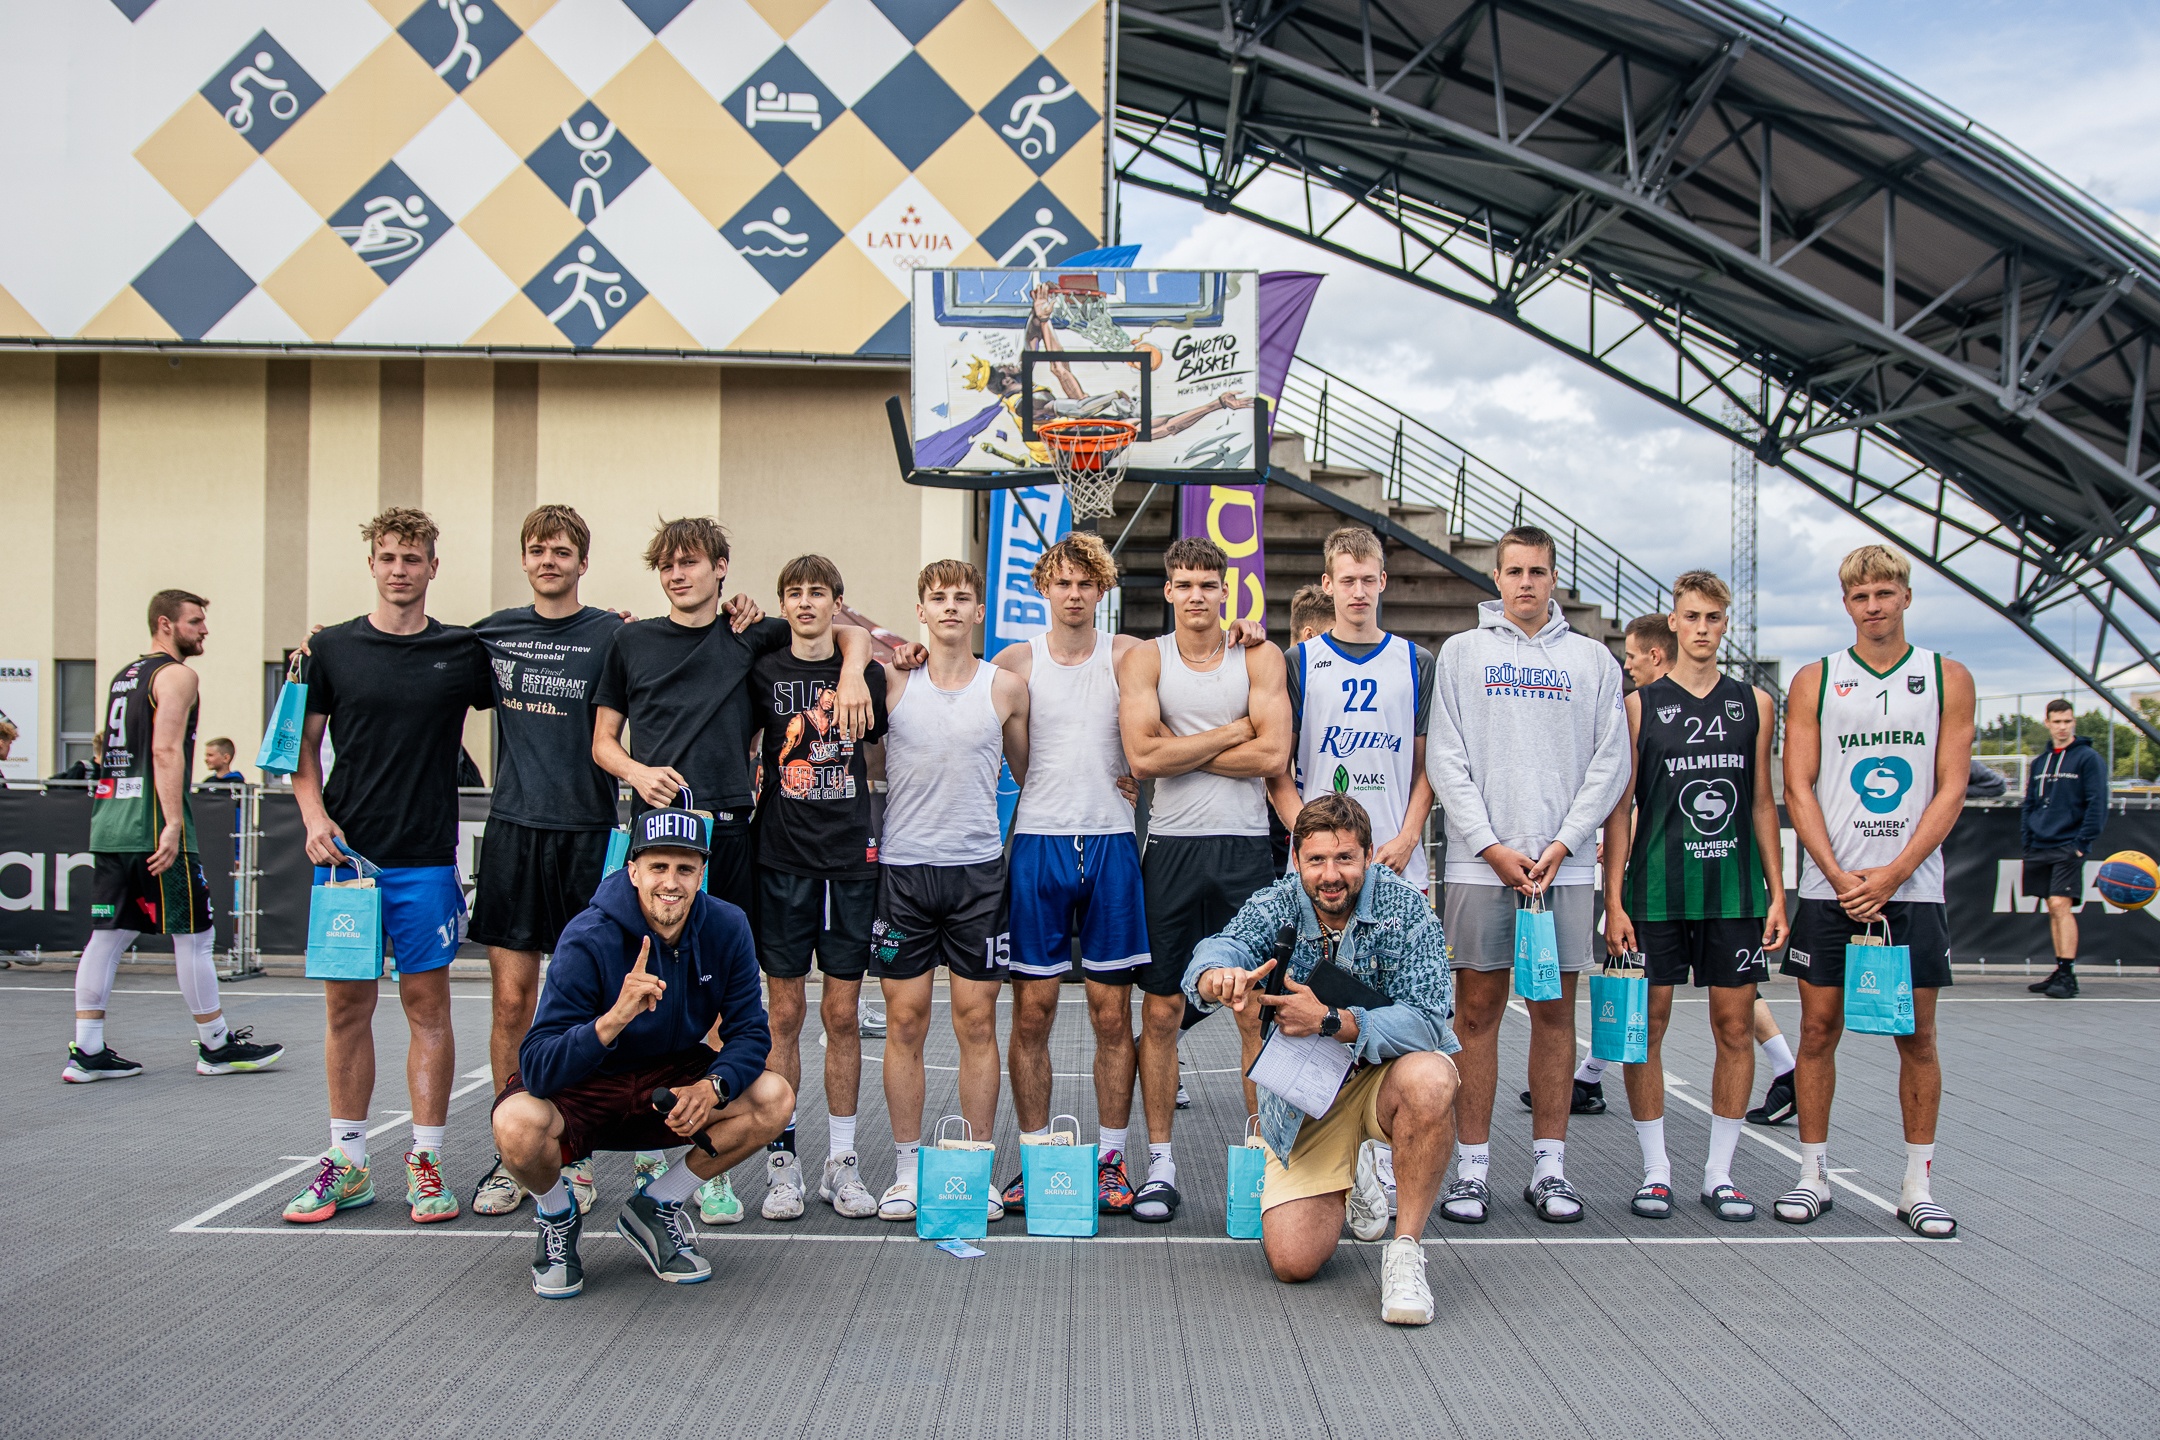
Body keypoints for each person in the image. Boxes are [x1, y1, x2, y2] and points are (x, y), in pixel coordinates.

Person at [283, 510, 496, 1225]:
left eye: (412, 558)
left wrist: (612, 629)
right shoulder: (330, 649)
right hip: (347, 862)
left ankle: (426, 1161)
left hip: (427, 859)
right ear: (371, 565)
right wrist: (314, 817)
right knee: (346, 1009)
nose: (399, 569)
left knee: (427, 1009)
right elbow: (300, 749)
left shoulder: (463, 650)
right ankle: (347, 1162)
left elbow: (542, 666)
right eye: (388, 557)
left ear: (433, 567)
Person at [491, 806, 790, 1296]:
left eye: (685, 868)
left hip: (668, 1085)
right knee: (515, 1122)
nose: (671, 882)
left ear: (701, 874)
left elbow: (750, 1033)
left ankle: (655, 1205)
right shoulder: (589, 934)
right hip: (589, 1084)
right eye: (658, 867)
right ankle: (557, 1216)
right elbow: (538, 1066)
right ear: (633, 871)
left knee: (773, 1097)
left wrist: (712, 1088)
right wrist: (612, 1020)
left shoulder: (727, 926)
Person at [1185, 794, 1460, 1325]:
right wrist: (1217, 975)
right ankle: (1355, 1169)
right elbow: (1221, 946)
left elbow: (1430, 1021)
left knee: (1432, 1078)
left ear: (1368, 856)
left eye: (1345, 858)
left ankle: (1405, 1252)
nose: (1330, 875)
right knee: (1293, 1263)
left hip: (1383, 1081)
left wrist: (1333, 1020)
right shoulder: (1277, 903)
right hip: (1306, 1100)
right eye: (1316, 860)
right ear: (1297, 859)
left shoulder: (1407, 909)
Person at [1425, 525, 1628, 1224]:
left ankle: (1550, 1168)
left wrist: (1565, 844)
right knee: (1476, 1014)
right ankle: (1471, 1170)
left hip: (1561, 871)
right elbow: (1445, 758)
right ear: (1497, 577)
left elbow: (1611, 763)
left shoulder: (1593, 660)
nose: (1525, 583)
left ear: (1554, 578)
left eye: (1537, 571)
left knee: (1554, 1013)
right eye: (1514, 571)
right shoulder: (1462, 653)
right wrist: (1489, 847)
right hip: (1481, 866)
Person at [1777, 544, 1973, 1238]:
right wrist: (1837, 875)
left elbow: (1951, 788)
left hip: (1911, 888)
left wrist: (1892, 873)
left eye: (1885, 593)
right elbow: (1797, 786)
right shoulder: (1816, 679)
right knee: (1817, 1031)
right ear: (1846, 604)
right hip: (1831, 888)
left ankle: (1918, 1184)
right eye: (1860, 597)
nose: (1873, 606)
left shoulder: (1947, 677)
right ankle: (1812, 1175)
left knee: (1916, 1036)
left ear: (1906, 597)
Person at [1602, 572, 1788, 1222]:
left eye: (1713, 617)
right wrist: (1613, 900)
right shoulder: (1639, 705)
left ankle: (1719, 1174)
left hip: (1734, 895)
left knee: (1735, 1028)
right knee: (1646, 1029)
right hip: (1654, 893)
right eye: (1692, 617)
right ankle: (1656, 1172)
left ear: (1724, 624)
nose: (1703, 628)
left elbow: (1762, 802)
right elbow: (1620, 809)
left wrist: (1777, 894)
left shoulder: (1755, 704)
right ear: (1674, 623)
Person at [1118, 537, 1292, 1222]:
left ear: (1226, 591)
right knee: (1161, 1011)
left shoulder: (1259, 656)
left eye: (1207, 584)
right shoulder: (1146, 658)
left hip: (1245, 851)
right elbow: (1141, 757)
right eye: (1184, 584)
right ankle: (1160, 1165)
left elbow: (1272, 755)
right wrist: (1230, 731)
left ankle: (1264, 1161)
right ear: (1168, 591)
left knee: (1253, 1010)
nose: (1196, 595)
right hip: (1170, 850)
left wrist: (1179, 747)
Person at [593, 516, 879, 918]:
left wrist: (851, 673)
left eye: (689, 562)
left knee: (727, 945)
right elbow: (602, 743)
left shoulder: (749, 633)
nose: (677, 575)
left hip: (729, 826)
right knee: (653, 945)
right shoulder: (630, 640)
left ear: (720, 567)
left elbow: (845, 632)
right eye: (666, 566)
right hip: (657, 822)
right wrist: (636, 773)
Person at [467, 505, 626, 1218]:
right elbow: (413, 653)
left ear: (582, 562)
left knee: (581, 1004)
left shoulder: (613, 634)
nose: (548, 561)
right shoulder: (492, 634)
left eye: (561, 551)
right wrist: (317, 648)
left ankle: (575, 1150)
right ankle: (513, 1152)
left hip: (587, 834)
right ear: (524, 559)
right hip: (514, 832)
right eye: (537, 550)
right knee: (511, 1001)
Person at [63, 590, 283, 1083]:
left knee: (108, 936)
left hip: (111, 823)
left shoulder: (126, 675)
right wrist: (173, 823)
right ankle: (216, 1044)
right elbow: (165, 749)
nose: (204, 630)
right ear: (165, 624)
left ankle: (88, 1050)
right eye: (195, 621)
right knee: (196, 937)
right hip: (151, 826)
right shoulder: (177, 674)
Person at [868, 560, 1029, 1222]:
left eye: (963, 597)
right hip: (905, 871)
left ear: (978, 611)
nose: (952, 607)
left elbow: (1031, 772)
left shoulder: (1006, 687)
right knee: (905, 1021)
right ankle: (907, 1171)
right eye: (939, 598)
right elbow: (870, 760)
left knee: (976, 1022)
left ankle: (974, 1170)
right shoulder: (892, 682)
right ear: (921, 612)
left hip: (977, 874)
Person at [997, 533, 1151, 1219]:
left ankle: (1112, 1160)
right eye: (1063, 581)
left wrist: (1242, 636)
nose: (1074, 593)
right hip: (1039, 841)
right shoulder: (1014, 662)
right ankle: (1036, 1157)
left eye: (1087, 582)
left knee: (1111, 1013)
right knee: (1033, 1012)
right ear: (1044, 587)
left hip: (1111, 841)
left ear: (1102, 589)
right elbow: (1009, 749)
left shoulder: (1129, 655)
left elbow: (1197, 670)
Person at [749, 555, 888, 1222]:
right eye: (794, 593)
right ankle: (783, 1166)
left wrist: (865, 662)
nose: (806, 602)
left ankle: (841, 1162)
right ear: (783, 604)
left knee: (841, 1014)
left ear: (837, 601)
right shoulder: (762, 669)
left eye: (818, 592)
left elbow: (887, 749)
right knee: (783, 1016)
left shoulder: (867, 674)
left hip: (849, 861)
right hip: (781, 858)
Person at [2020, 698, 2106, 999]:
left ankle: (2068, 976)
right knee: (2052, 907)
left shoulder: (2088, 758)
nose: (2062, 727)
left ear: (2074, 722)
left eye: (2067, 721)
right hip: (2039, 843)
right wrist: (2027, 839)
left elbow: (2098, 803)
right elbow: (2029, 803)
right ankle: (2060, 969)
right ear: (2047, 723)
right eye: (2057, 722)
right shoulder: (2040, 762)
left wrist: (2082, 844)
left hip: (2069, 844)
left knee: (2060, 904)